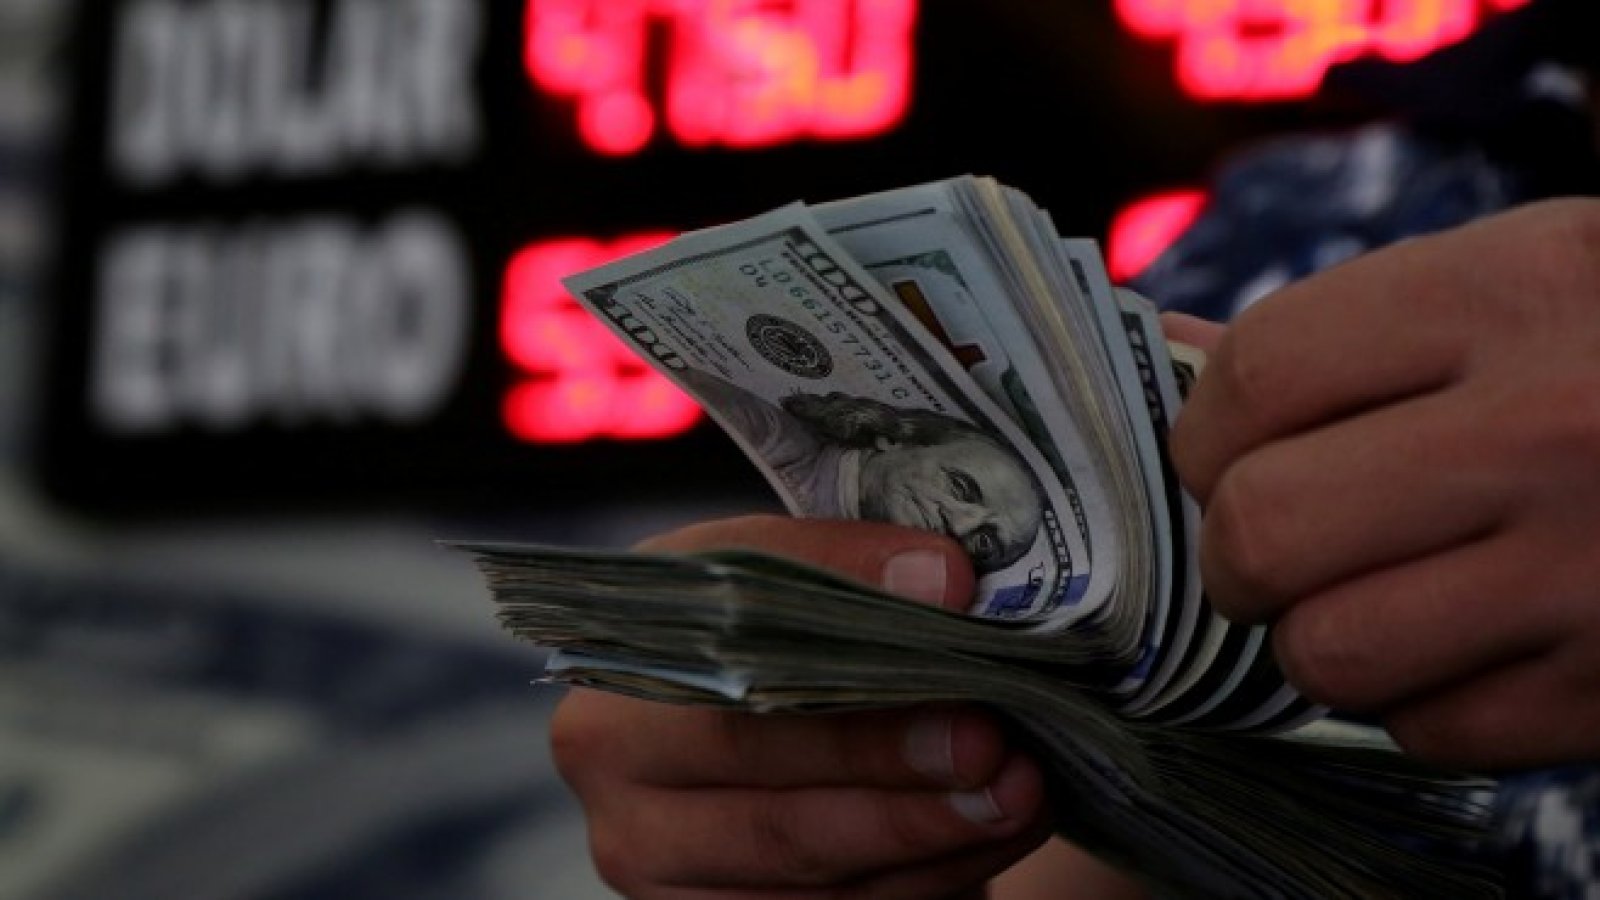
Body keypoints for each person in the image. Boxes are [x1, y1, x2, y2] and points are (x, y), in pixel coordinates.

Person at [682, 367, 1046, 575]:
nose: (963, 526)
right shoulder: (767, 438)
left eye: (985, 542)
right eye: (960, 487)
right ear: (894, 440)